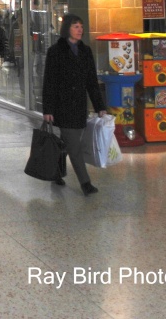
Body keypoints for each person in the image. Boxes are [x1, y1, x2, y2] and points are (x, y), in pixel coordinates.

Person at [41, 14, 108, 196]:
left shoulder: (85, 51)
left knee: (65, 142)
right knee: (73, 146)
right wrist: (47, 109)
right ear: (67, 29)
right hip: (62, 106)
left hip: (79, 105)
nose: (80, 30)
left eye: (81, 26)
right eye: (75, 26)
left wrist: (100, 106)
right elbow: (50, 82)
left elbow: (91, 82)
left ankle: (55, 171)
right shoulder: (55, 51)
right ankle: (85, 183)